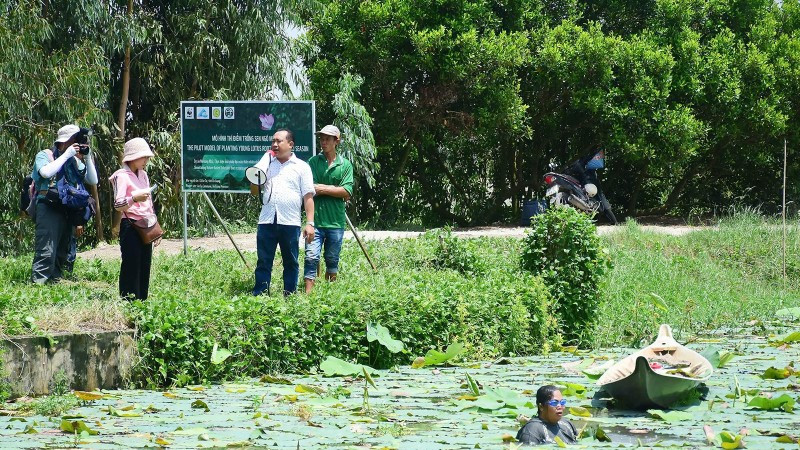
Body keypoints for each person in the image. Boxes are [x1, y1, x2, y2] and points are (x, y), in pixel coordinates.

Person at [250, 128, 315, 296]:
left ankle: (290, 295)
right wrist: (260, 167)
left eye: (279, 141)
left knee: (291, 262)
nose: (274, 144)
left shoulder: (302, 167)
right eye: (273, 141)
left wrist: (309, 223)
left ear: (290, 144)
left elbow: (308, 196)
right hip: (266, 221)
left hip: (290, 222)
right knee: (264, 261)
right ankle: (260, 295)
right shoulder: (267, 165)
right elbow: (254, 192)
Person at [30, 124, 98, 283]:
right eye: (75, 139)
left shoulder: (74, 160)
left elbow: (93, 180)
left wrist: (87, 158)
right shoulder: (45, 155)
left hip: (67, 207)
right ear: (66, 140)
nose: (77, 143)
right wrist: (67, 155)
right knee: (46, 248)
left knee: (62, 248)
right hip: (48, 206)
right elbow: (46, 172)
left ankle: (55, 281)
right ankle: (39, 283)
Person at [303, 125, 354, 294]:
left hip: (335, 222)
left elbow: (346, 191)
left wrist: (322, 188)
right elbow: (309, 188)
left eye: (327, 139)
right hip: (315, 221)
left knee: (332, 259)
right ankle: (308, 295)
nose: (323, 142)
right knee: (311, 257)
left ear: (336, 141)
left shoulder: (345, 165)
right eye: (321, 138)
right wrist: (334, 189)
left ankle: (329, 295)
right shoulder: (313, 162)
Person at [110, 138, 158, 300]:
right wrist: (133, 199)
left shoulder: (143, 175)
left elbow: (149, 203)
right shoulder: (121, 176)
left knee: (145, 264)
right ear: (133, 157)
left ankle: (142, 302)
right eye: (143, 157)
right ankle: (129, 301)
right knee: (131, 264)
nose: (146, 160)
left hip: (146, 224)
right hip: (130, 225)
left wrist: (155, 227)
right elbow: (118, 205)